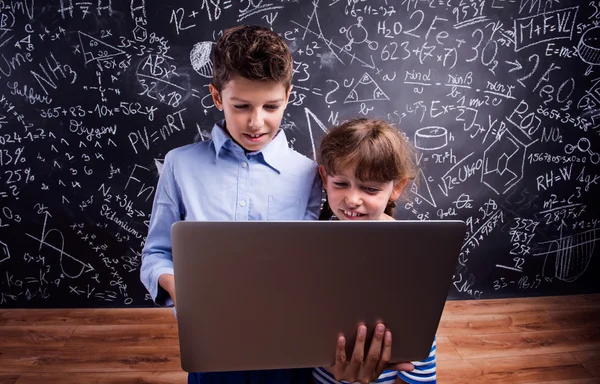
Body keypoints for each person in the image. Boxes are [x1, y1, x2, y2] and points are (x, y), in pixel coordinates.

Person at [140, 25, 409, 384]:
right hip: (214, 339)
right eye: (241, 106)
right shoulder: (180, 165)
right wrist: (179, 288)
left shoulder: (313, 174)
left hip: (293, 347)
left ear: (288, 95)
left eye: (271, 106)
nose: (256, 121)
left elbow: (338, 255)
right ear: (217, 97)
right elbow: (156, 254)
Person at [313, 118, 437, 384]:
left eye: (370, 189)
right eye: (341, 184)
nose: (353, 199)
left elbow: (419, 344)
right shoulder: (315, 243)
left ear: (397, 187)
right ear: (325, 177)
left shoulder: (412, 256)